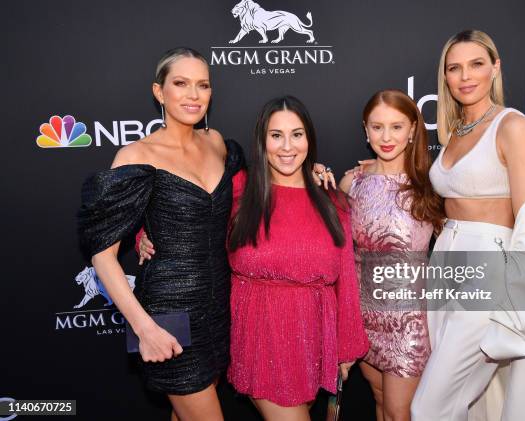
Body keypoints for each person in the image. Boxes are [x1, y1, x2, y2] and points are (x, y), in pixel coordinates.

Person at [78, 47, 245, 421]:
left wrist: (311, 170)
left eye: (202, 85)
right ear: (159, 92)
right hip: (168, 316)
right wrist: (144, 329)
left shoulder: (217, 142)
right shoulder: (137, 155)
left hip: (219, 308)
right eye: (181, 84)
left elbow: (250, 193)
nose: (193, 94)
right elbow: (102, 256)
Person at [410, 30, 525, 421]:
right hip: (446, 263)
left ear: (495, 67)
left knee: (428, 407)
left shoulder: (511, 125)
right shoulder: (453, 132)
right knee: (471, 404)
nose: (465, 76)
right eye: (454, 68)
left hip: (488, 268)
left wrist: (521, 304)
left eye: (476, 64)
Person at [226, 95, 369, 421]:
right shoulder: (239, 190)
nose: (287, 146)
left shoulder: (333, 201)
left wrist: (345, 348)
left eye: (297, 134)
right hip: (261, 338)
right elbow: (188, 214)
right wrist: (146, 232)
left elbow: (345, 277)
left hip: (314, 340)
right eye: (276, 135)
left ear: (310, 139)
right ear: (262, 141)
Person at [338, 89, 444, 421]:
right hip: (364, 317)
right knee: (380, 401)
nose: (386, 137)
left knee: (401, 412)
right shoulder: (351, 183)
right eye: (377, 127)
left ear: (413, 129)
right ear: (365, 129)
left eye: (396, 127)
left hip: (409, 322)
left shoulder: (431, 183)